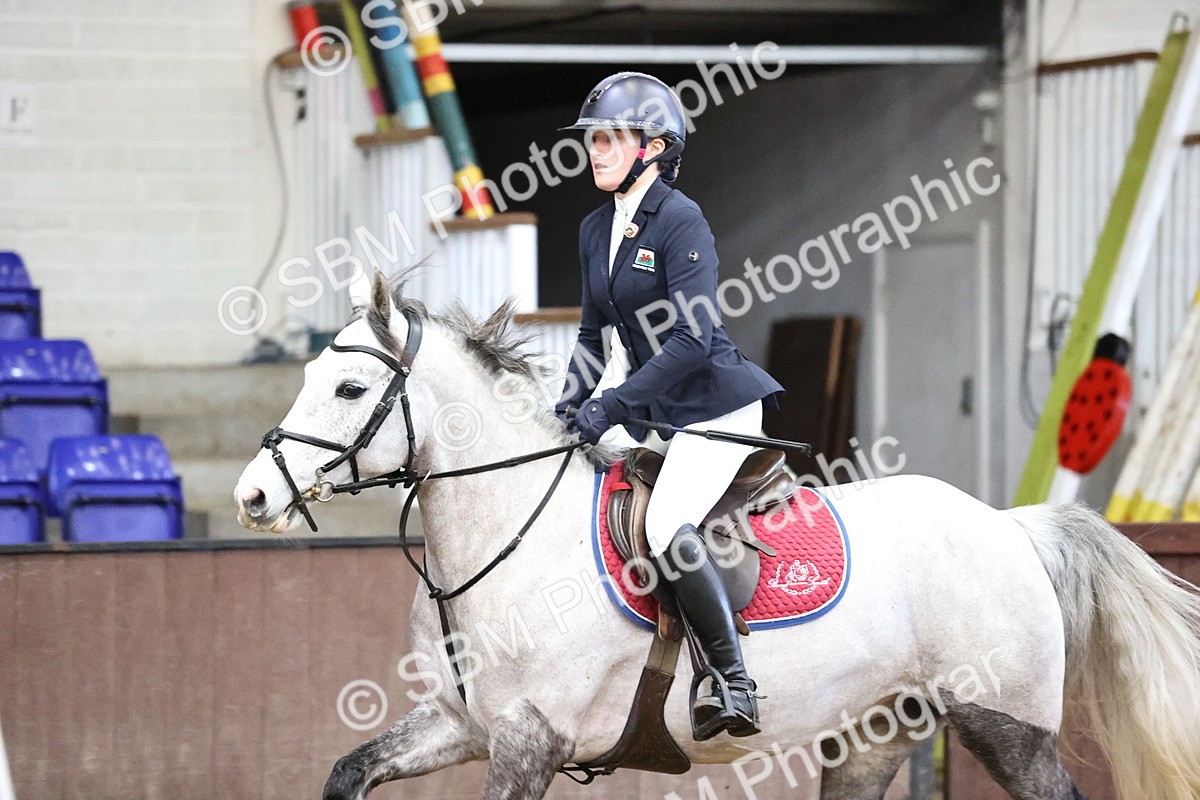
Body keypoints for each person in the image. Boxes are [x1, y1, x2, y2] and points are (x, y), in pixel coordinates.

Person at [554, 72, 785, 741]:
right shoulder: (596, 228)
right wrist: (569, 407)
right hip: (659, 414)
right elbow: (593, 337)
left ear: (653, 146)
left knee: (665, 524)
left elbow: (692, 338)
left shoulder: (682, 221)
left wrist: (615, 406)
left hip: (717, 409)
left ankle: (732, 680)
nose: (595, 150)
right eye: (592, 139)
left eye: (609, 138)